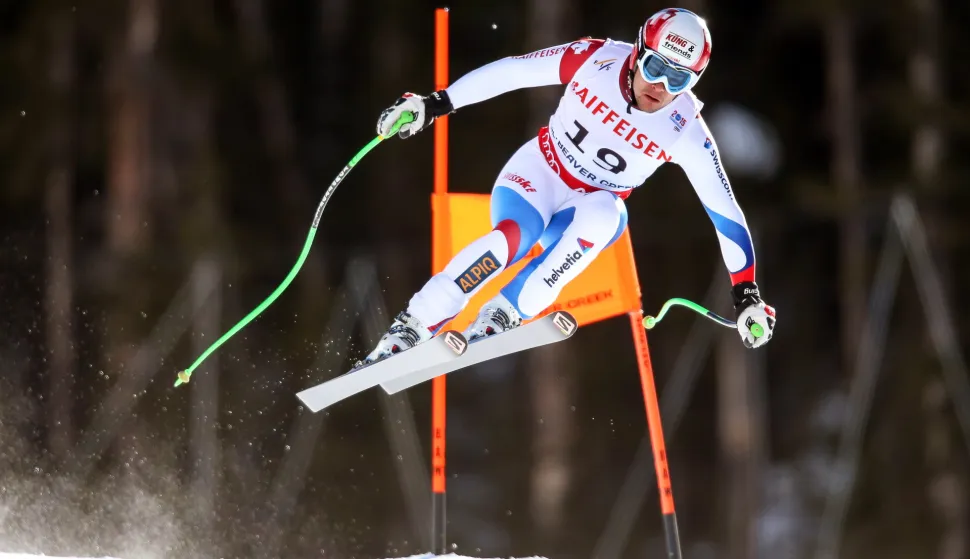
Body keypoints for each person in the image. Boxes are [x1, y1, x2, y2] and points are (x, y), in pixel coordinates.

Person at [361, 7, 776, 366]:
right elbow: (514, 70)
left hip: (586, 209)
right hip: (538, 174)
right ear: (636, 53)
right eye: (654, 68)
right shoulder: (595, 58)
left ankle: (504, 312)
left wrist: (746, 293)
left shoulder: (685, 129)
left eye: (678, 80)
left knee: (607, 214)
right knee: (513, 240)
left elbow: (724, 211)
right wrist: (434, 104)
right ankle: (413, 326)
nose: (660, 87)